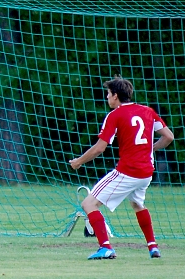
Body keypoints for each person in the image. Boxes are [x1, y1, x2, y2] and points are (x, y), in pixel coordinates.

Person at [69, 76, 174, 260]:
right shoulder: (147, 111)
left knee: (88, 204)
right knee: (137, 204)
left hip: (128, 171)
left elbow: (100, 148)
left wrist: (79, 161)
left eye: (108, 94)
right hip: (147, 172)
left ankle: (105, 247)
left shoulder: (115, 115)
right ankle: (153, 247)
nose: (107, 98)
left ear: (115, 96)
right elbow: (168, 137)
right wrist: (151, 147)